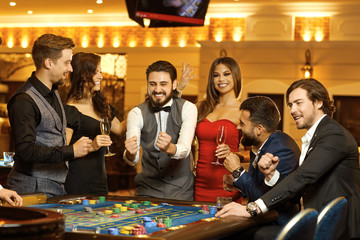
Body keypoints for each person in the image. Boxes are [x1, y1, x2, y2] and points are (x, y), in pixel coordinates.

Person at [216, 78, 360, 240]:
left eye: (299, 103)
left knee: (251, 236)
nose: (293, 110)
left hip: (337, 229)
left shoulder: (333, 135)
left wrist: (253, 208)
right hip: (317, 222)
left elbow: (303, 177)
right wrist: (272, 175)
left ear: (319, 103)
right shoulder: (318, 135)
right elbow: (298, 186)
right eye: (290, 105)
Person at [7, 34, 92, 198]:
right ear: (48, 63)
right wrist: (70, 151)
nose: (71, 69)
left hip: (53, 185)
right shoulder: (24, 100)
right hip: (31, 187)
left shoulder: (54, 91)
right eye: (67, 62)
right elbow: (26, 151)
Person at [124, 60, 197, 200]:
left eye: (163, 84)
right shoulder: (136, 113)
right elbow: (131, 160)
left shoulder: (188, 108)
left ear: (174, 84)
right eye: (153, 84)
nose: (157, 89)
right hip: (147, 188)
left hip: (182, 189)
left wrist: (170, 147)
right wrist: (130, 153)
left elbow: (185, 149)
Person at [223, 96, 300, 226]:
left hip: (278, 225)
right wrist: (236, 181)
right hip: (264, 219)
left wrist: (238, 172)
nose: (237, 127)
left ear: (259, 129)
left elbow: (265, 200)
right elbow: (257, 187)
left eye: (242, 124)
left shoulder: (281, 151)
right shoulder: (264, 143)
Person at [64, 52, 125, 196]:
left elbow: (121, 129)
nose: (101, 77)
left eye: (100, 72)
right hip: (78, 182)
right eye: (96, 72)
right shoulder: (70, 109)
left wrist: (144, 108)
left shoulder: (101, 106)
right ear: (82, 75)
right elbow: (62, 152)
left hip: (100, 181)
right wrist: (92, 146)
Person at [192, 56, 242, 202]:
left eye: (226, 74)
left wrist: (234, 154)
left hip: (227, 185)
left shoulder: (243, 111)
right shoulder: (202, 107)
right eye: (216, 75)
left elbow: (254, 154)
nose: (221, 79)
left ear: (236, 76)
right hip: (200, 185)